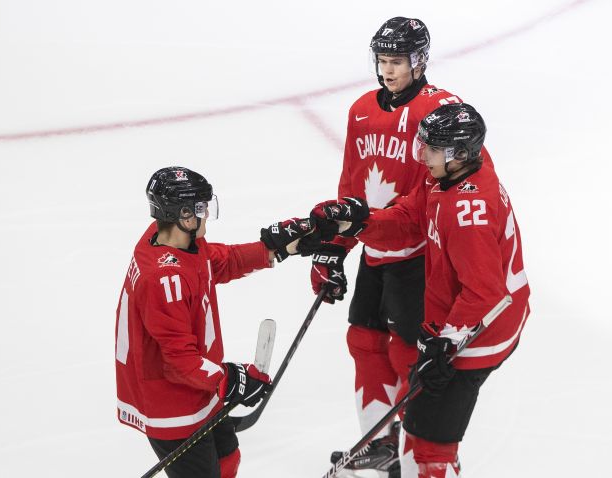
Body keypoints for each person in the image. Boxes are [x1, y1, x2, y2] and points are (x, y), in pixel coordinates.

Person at [311, 103, 530, 477]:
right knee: (420, 431)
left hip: (482, 331)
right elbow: (409, 217)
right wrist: (359, 222)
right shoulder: (446, 178)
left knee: (429, 449)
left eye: (431, 148)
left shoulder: (468, 211)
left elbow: (484, 293)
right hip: (470, 319)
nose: (421, 154)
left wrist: (446, 342)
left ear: (459, 153)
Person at [307, 16, 463, 477]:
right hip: (376, 251)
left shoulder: (439, 110)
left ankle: (416, 450)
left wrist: (372, 225)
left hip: (418, 257)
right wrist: (335, 247)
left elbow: (431, 192)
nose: (387, 70)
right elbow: (352, 184)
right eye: (382, 60)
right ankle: (378, 442)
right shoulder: (361, 109)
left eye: (396, 61)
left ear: (419, 60)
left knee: (407, 353)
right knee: (363, 340)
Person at [114, 166, 314, 478]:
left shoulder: (170, 240)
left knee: (227, 457)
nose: (206, 214)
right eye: (200, 208)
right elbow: (179, 361)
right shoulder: (164, 279)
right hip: (173, 404)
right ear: (183, 215)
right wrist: (230, 380)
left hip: (195, 389)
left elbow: (217, 262)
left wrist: (272, 249)